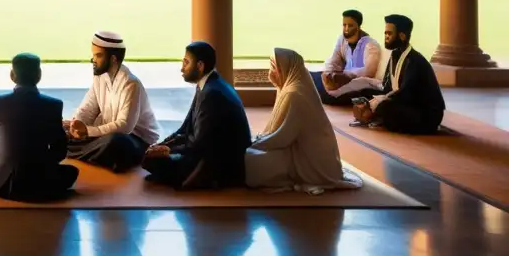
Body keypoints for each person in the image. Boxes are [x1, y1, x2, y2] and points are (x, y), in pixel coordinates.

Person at [246, 48, 363, 193]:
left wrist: (255, 143)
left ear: (285, 69)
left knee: (251, 161)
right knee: (251, 153)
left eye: (274, 68)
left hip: (309, 162)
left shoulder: (295, 94)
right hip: (296, 151)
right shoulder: (289, 88)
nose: (271, 73)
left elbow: (283, 137)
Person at [0, 53, 78, 202]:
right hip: (41, 185)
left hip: (2, 185)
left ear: (12, 75)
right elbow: (60, 151)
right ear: (39, 75)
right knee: (72, 171)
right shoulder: (54, 105)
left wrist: (7, 155)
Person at [142, 41, 251, 189]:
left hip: (219, 163)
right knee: (151, 156)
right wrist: (163, 145)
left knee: (151, 161)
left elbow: (200, 143)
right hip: (207, 152)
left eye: (186, 63)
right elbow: (186, 127)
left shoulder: (212, 93)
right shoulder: (208, 84)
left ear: (200, 66)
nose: (182, 68)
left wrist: (169, 150)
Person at [64, 31, 160, 172]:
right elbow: (88, 109)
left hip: (136, 140)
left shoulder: (130, 83)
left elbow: (124, 127)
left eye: (98, 55)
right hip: (106, 134)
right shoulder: (100, 76)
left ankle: (69, 150)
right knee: (62, 128)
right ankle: (88, 153)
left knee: (115, 142)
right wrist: (75, 125)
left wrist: (88, 131)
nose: (93, 60)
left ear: (113, 59)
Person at [352, 14, 445, 135]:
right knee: (364, 93)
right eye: (385, 33)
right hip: (404, 103)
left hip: (424, 113)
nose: (385, 37)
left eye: (389, 34)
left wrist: (378, 104)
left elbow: (407, 94)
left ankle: (376, 117)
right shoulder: (395, 55)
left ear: (402, 36)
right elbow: (386, 87)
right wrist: (369, 100)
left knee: (385, 107)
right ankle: (376, 116)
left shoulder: (415, 61)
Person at [310, 9, 384, 106]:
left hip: (358, 83)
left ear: (358, 26)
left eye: (350, 25)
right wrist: (328, 74)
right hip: (339, 79)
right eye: (344, 25)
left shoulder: (371, 45)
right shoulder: (342, 40)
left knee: (320, 91)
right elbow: (334, 60)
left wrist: (345, 76)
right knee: (308, 75)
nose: (346, 29)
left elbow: (368, 71)